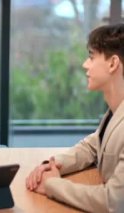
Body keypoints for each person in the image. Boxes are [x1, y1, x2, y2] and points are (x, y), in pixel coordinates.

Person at [26, 24, 124, 212]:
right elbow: (94, 145)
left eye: (91, 57)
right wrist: (52, 165)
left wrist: (52, 184)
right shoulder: (115, 111)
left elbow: (113, 201)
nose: (85, 64)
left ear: (112, 63)